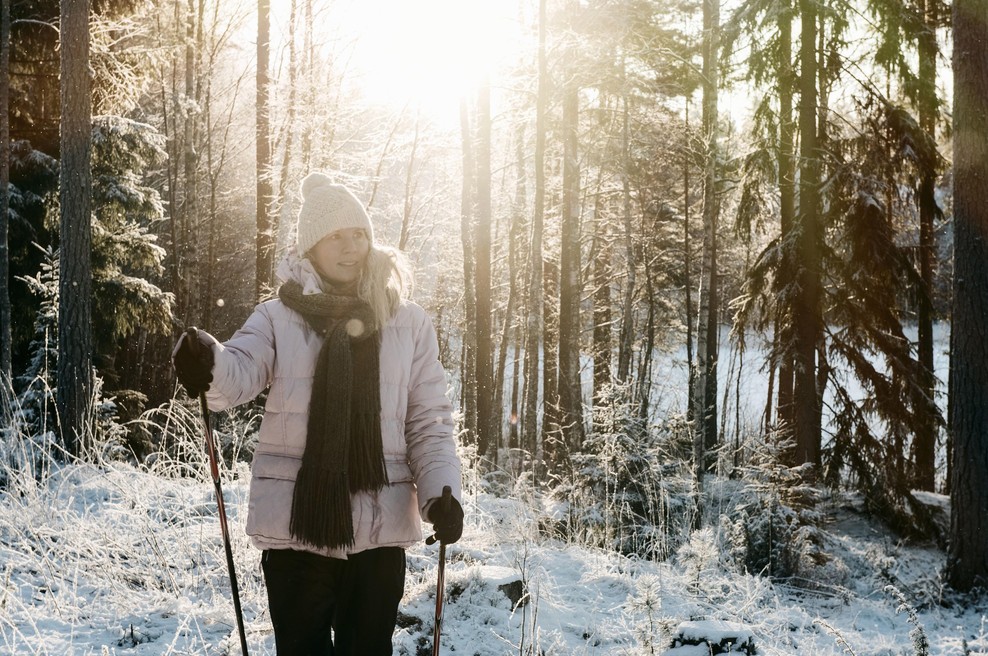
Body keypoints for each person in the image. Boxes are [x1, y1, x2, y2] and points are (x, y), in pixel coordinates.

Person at [172, 172, 464, 655]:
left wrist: (440, 496)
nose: (351, 247)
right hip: (296, 531)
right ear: (311, 246)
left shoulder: (407, 322)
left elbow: (428, 419)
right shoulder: (276, 317)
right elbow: (237, 373)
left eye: (359, 234)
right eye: (336, 236)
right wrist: (209, 360)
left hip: (379, 531)